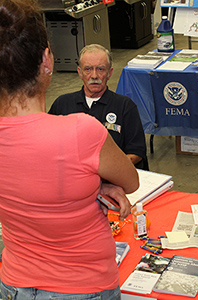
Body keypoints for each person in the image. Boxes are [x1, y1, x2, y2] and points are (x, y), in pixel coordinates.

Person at [0, 1, 139, 299]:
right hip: (80, 287)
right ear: (47, 60)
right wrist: (98, 182)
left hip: (13, 283)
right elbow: (131, 181)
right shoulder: (82, 130)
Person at [48, 44, 148, 170]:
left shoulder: (125, 106)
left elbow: (136, 153)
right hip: (71, 177)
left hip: (112, 179)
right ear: (80, 72)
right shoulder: (62, 104)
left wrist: (102, 170)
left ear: (109, 73)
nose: (94, 76)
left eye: (100, 69)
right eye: (88, 69)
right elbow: (47, 146)